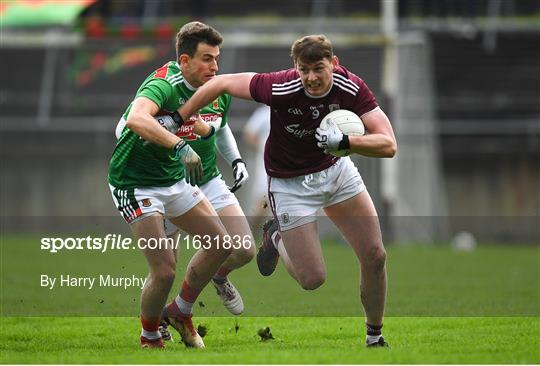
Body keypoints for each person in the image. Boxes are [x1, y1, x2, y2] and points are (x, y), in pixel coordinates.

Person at [176, 34, 397, 347]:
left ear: (334, 64)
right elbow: (219, 84)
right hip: (291, 184)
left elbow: (388, 144)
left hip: (336, 172)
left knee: (375, 256)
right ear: (295, 68)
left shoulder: (351, 87)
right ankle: (276, 236)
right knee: (312, 279)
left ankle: (374, 337)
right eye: (303, 69)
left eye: (318, 68)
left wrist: (347, 143)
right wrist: (179, 118)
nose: (310, 77)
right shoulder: (280, 86)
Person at [108, 21, 248, 350]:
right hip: (135, 185)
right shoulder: (164, 83)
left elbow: (209, 126)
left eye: (217, 58)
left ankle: (180, 311)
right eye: (206, 59)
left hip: (173, 180)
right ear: (184, 61)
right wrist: (179, 145)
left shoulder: (210, 89)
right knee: (165, 270)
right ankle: (150, 335)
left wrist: (214, 139)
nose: (214, 66)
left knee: (222, 244)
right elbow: (136, 120)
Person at [242, 105, 271, 232]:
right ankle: (250, 232)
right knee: (263, 199)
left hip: (288, 163)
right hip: (266, 164)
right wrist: (263, 148)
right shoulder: (265, 112)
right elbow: (249, 133)